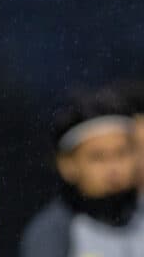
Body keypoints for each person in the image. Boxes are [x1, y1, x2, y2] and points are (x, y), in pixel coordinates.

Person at [19, 85, 143, 257]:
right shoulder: (53, 233)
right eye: (98, 157)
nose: (113, 168)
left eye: (122, 153)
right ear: (67, 165)